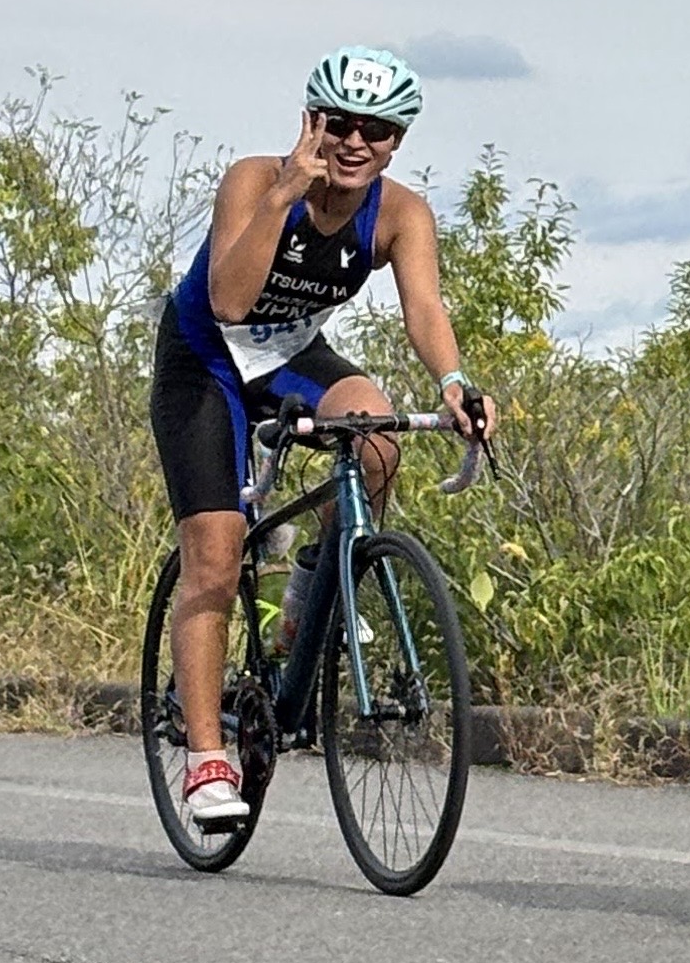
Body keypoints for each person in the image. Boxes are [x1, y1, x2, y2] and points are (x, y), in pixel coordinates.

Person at [151, 48, 497, 828]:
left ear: (396, 141)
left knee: (376, 436)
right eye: (337, 123)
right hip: (205, 358)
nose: (353, 142)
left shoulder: (400, 214)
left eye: (374, 130)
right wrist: (284, 194)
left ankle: (309, 594)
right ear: (310, 122)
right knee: (216, 550)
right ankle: (207, 756)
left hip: (290, 356)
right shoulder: (253, 179)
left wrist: (454, 385)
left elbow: (425, 312)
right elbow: (233, 303)